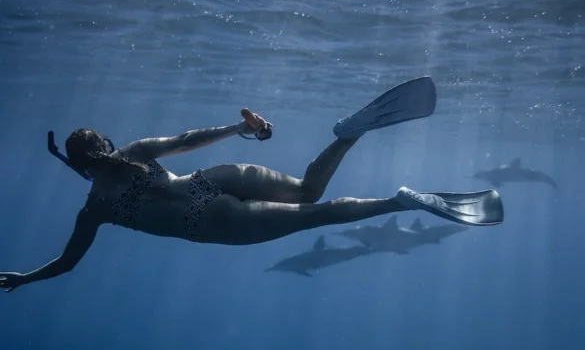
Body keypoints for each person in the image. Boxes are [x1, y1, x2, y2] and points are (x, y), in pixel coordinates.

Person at [0, 78, 503, 292]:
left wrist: (23, 278)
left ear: (76, 164)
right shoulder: (133, 151)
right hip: (213, 178)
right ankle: (348, 136)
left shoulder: (94, 209)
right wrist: (240, 128)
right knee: (310, 189)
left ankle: (397, 200)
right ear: (105, 143)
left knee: (319, 214)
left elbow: (67, 264)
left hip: (206, 221)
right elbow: (188, 139)